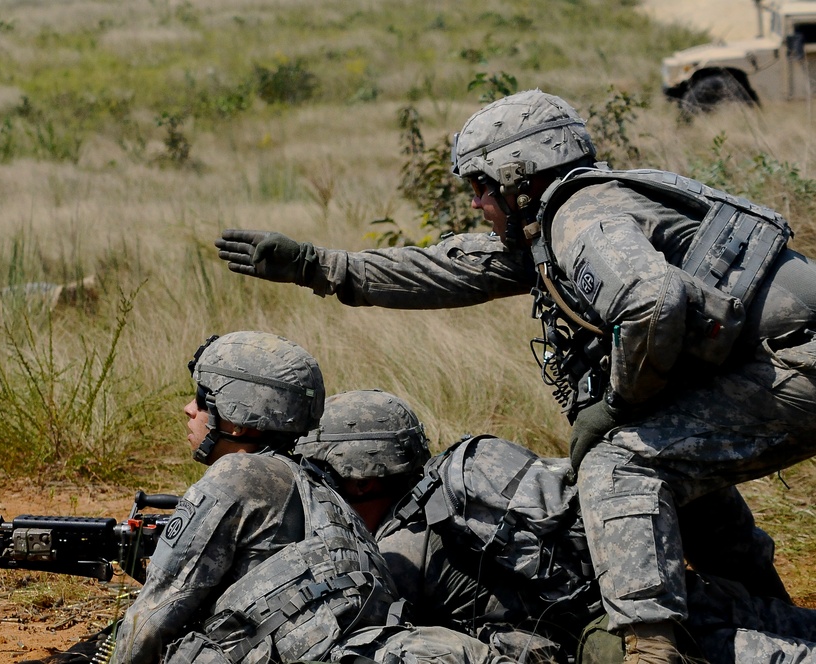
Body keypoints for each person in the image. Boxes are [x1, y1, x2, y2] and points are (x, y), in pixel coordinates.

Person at [215, 89, 816, 662]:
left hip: (796, 364)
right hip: (791, 364)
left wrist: (618, 404)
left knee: (621, 462)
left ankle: (651, 651)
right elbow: (446, 268)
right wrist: (319, 265)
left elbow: (652, 301)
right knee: (682, 475)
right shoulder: (566, 219)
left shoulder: (581, 218)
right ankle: (770, 611)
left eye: (480, 187)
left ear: (520, 179)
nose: (475, 203)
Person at [296, 389, 816, 663]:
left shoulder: (400, 553)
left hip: (643, 642)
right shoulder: (472, 473)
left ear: (361, 481)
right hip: (672, 591)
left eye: (325, 475)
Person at [109, 331, 512, 664]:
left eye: (203, 399)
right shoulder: (334, 504)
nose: (188, 409)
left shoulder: (239, 473)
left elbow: (153, 617)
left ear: (237, 414)